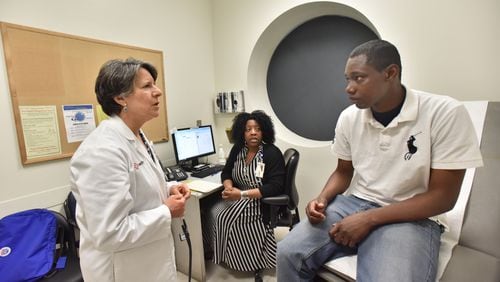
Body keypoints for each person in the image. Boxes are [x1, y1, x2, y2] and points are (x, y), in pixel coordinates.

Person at [277, 39, 483, 281]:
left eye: (359, 77)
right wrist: (322, 198)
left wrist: (369, 219)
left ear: (390, 73)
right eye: (347, 79)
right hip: (353, 204)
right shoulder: (348, 118)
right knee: (287, 252)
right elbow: (343, 172)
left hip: (411, 215)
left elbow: (443, 198)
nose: (349, 88)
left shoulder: (444, 112)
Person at [70, 58, 190, 282]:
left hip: (150, 260)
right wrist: (166, 211)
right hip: (121, 270)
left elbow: (140, 188)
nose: (158, 92)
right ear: (120, 97)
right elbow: (110, 232)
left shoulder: (137, 136)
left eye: (155, 84)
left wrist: (170, 188)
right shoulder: (101, 151)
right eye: (147, 86)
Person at [202, 110, 285, 281]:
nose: (253, 132)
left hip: (256, 200)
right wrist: (228, 187)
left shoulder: (271, 153)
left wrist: (242, 194)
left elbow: (275, 187)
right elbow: (226, 172)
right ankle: (219, 250)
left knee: (223, 217)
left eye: (257, 129)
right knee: (211, 208)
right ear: (242, 132)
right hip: (237, 195)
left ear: (264, 132)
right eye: (248, 129)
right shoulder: (238, 150)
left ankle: (245, 260)